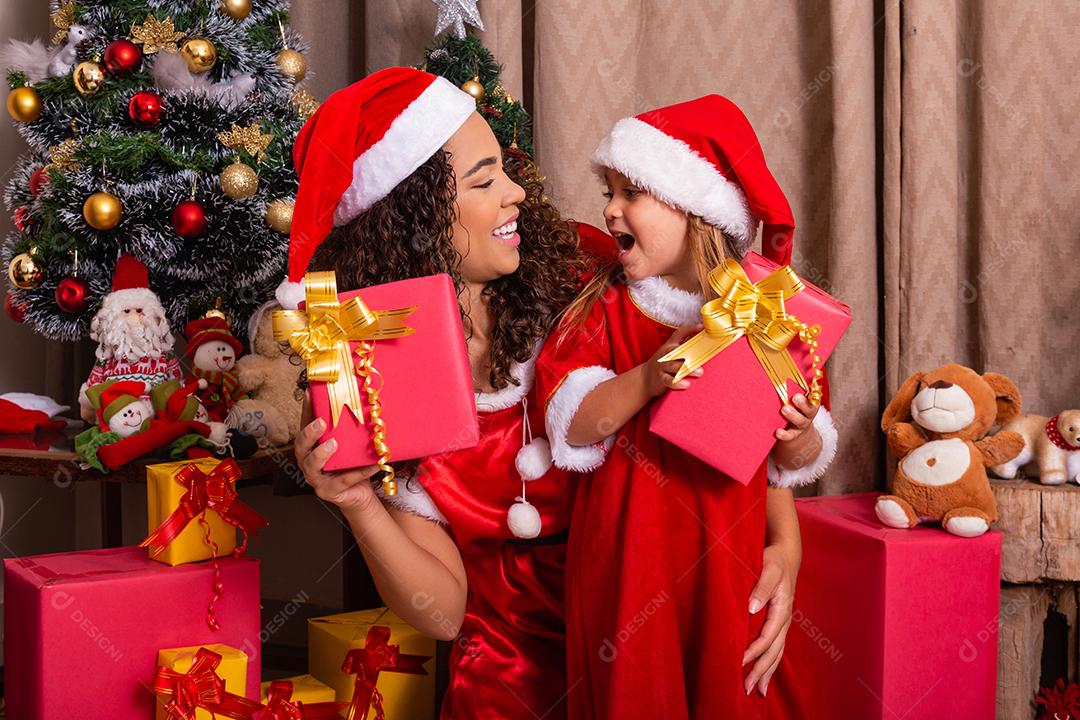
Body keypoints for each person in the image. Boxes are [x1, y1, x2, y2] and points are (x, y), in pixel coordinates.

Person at [288, 67, 589, 719]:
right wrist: (359, 500)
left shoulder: (580, 280)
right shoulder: (372, 378)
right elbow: (446, 613)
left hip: (636, 627)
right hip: (507, 673)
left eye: (503, 170)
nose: (516, 194)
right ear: (417, 219)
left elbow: (718, 381)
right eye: (483, 181)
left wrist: (780, 540)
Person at [535, 95, 838, 718]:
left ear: (696, 212)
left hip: (729, 562)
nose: (609, 209)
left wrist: (800, 433)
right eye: (609, 191)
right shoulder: (608, 310)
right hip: (628, 566)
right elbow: (571, 422)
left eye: (631, 193)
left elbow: (790, 458)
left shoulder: (764, 318)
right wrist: (648, 377)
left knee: (733, 686)